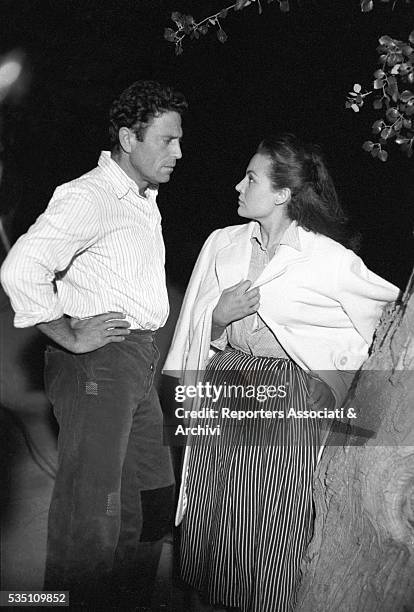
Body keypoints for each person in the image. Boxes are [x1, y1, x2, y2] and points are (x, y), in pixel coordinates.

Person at [163, 133, 400, 612]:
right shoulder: (221, 244)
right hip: (222, 386)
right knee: (211, 511)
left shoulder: (327, 259)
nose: (238, 185)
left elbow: (385, 319)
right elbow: (192, 323)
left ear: (283, 194)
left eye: (251, 177)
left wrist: (329, 381)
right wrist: (218, 317)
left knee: (268, 519)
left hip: (285, 397)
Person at [1, 79, 187, 608]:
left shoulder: (142, 199)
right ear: (128, 139)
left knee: (151, 500)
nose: (178, 152)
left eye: (179, 140)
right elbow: (21, 268)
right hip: (98, 366)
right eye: (167, 140)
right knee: (92, 511)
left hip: (135, 364)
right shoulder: (90, 195)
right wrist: (69, 333)